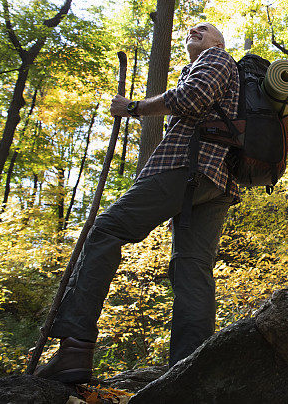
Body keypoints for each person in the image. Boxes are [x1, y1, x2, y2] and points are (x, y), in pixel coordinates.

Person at [35, 22, 240, 383]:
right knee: (192, 267)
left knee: (106, 229)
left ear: (219, 42)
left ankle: (74, 350)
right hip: (216, 182)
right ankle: (189, 372)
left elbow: (190, 97)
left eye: (203, 28)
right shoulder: (217, 66)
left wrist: (133, 107)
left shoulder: (216, 58)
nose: (194, 28)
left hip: (186, 167)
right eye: (191, 28)